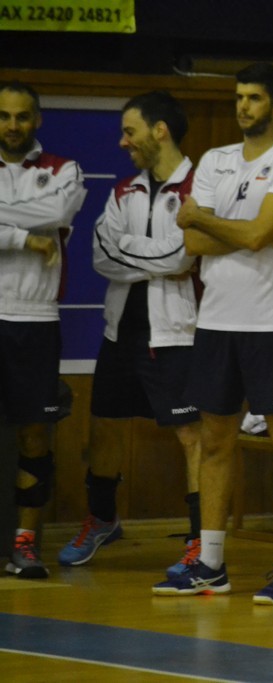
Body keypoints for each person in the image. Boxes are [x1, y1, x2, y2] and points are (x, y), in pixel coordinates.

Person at [152, 63, 273, 606]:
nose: (244, 106)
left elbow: (252, 234)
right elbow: (195, 244)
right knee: (216, 441)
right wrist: (255, 234)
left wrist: (213, 221)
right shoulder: (214, 160)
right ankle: (211, 564)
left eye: (254, 98)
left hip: (272, 323)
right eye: (239, 97)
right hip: (216, 322)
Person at [57, 91, 203, 578]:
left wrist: (139, 251)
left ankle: (201, 542)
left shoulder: (202, 186)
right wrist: (165, 258)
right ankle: (102, 520)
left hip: (179, 333)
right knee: (104, 426)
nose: (123, 142)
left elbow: (186, 254)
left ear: (160, 130)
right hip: (121, 331)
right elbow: (102, 256)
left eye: (130, 131)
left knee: (192, 435)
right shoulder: (123, 190)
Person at [0, 81, 87, 579]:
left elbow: (56, 212)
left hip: (35, 319)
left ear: (37, 120)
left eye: (22, 116)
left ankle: (26, 543)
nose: (12, 125)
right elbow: (41, 220)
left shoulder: (63, 169)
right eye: (4, 115)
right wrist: (21, 237)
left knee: (35, 434)